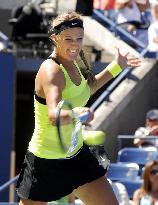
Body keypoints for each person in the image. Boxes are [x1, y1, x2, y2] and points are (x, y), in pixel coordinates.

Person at [16, 11, 141, 205]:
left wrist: (117, 66)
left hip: (75, 155)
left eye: (79, 38)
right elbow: (53, 115)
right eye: (68, 39)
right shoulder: (52, 71)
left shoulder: (73, 64)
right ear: (54, 38)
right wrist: (76, 113)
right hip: (44, 162)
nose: (75, 44)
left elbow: (85, 90)